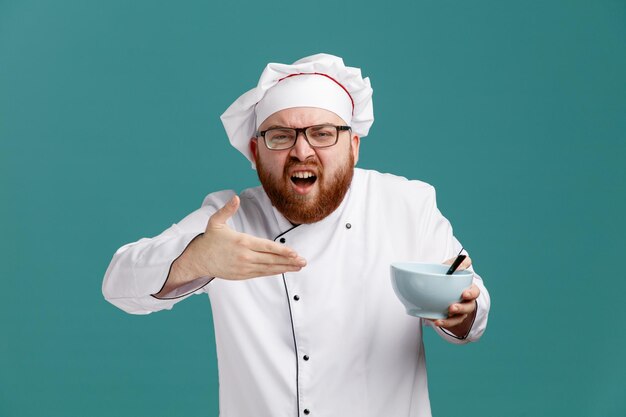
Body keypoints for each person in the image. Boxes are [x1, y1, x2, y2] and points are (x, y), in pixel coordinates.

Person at [102, 53, 490, 417]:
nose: (302, 151)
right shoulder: (229, 221)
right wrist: (196, 258)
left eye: (322, 133)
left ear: (353, 147)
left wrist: (459, 311)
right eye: (281, 136)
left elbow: (471, 308)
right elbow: (118, 283)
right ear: (255, 152)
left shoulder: (405, 204)